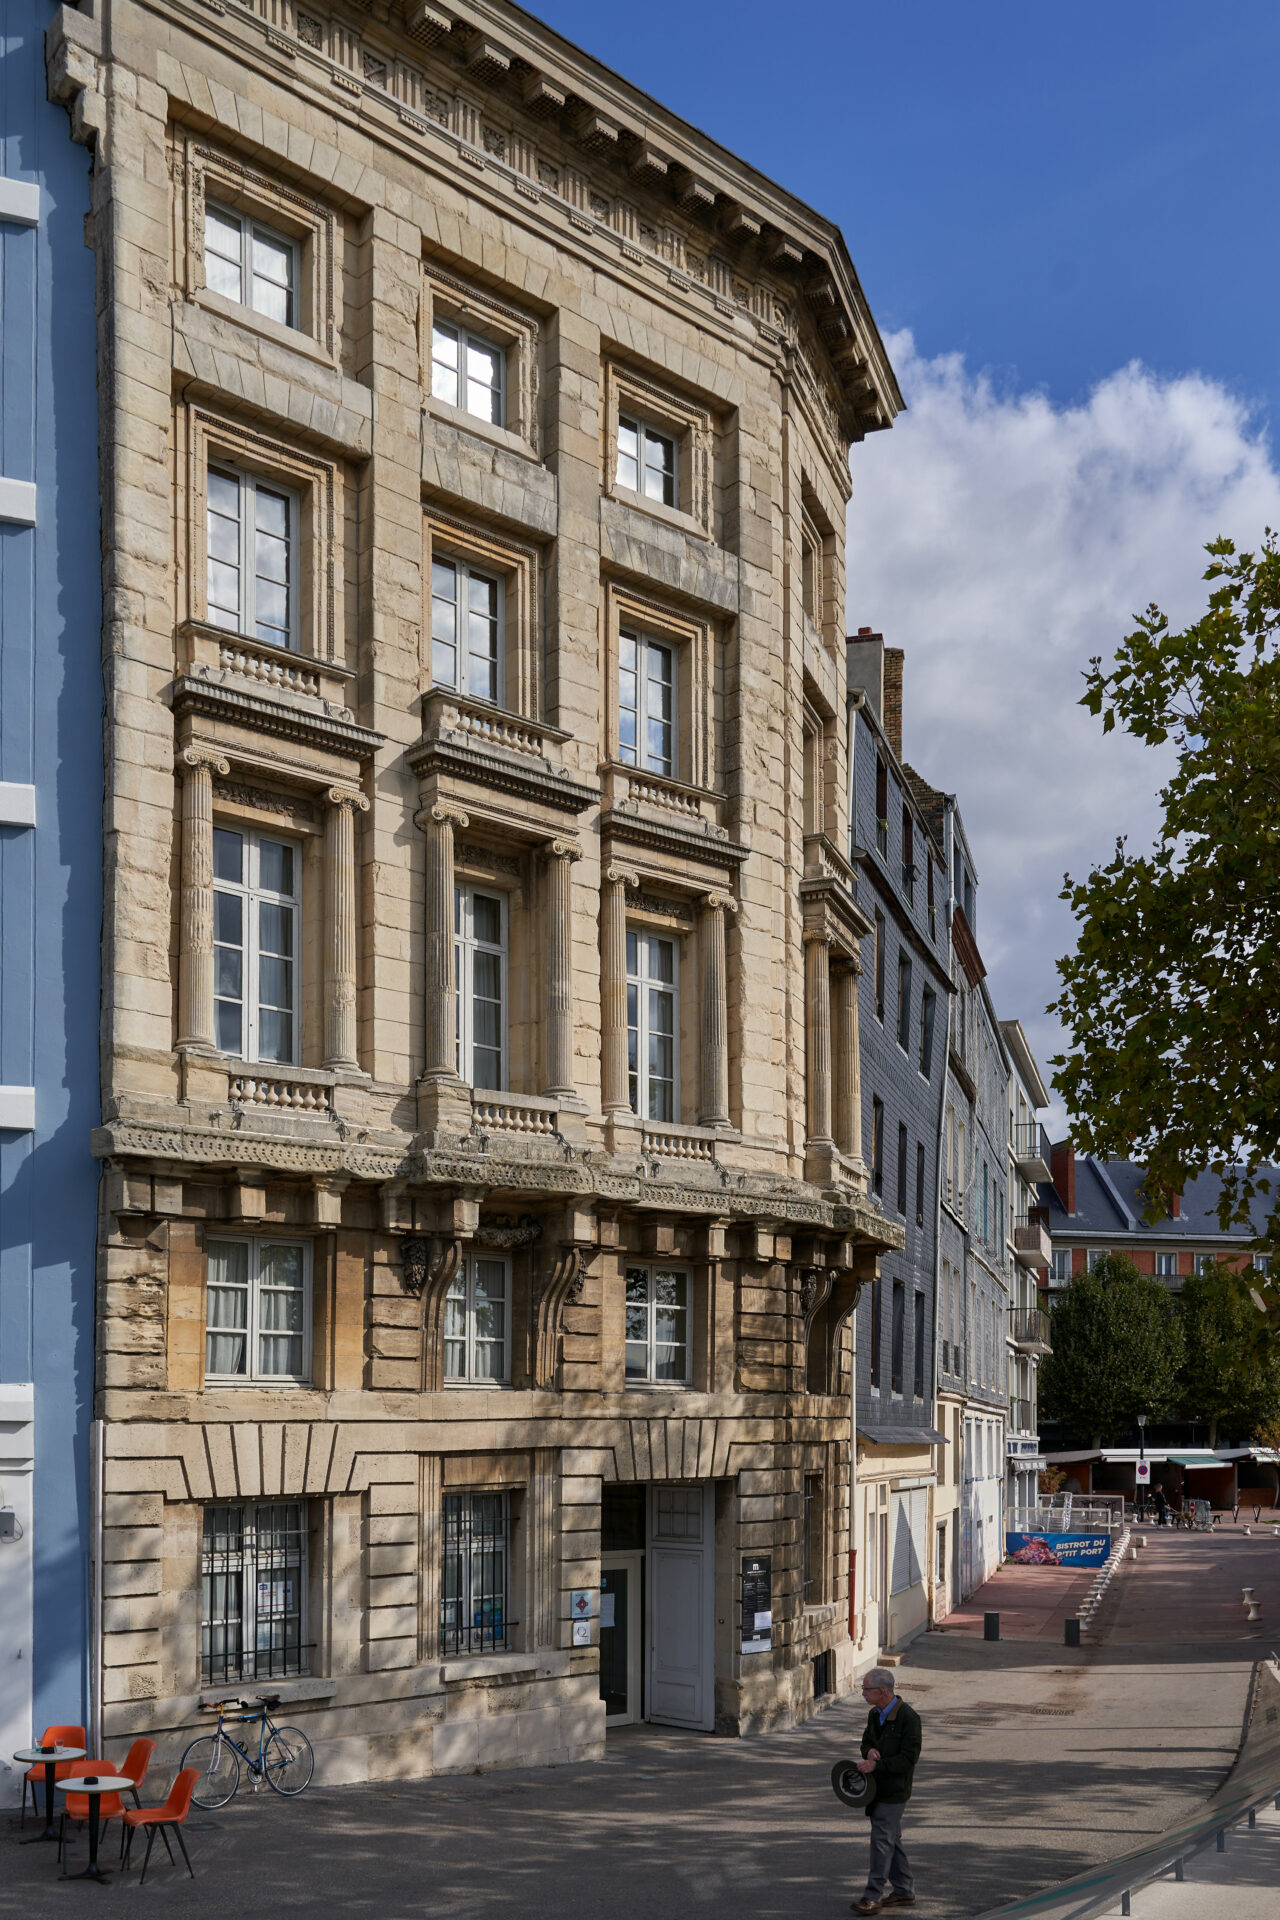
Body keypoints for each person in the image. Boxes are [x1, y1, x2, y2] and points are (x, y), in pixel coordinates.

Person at [850, 1667, 923, 1914]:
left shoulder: (909, 1718)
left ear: (882, 1691)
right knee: (892, 1839)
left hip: (894, 1791)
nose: (863, 1694)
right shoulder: (875, 1714)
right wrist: (868, 1751)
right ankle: (904, 1890)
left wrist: (876, 1764)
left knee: (881, 1841)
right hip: (876, 1788)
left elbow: (907, 1760)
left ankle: (872, 1896)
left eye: (866, 1690)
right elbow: (866, 1742)